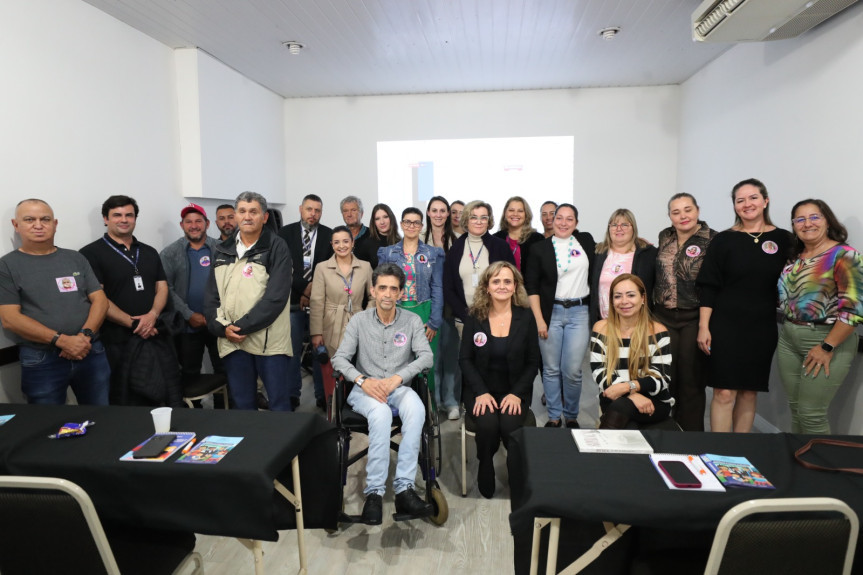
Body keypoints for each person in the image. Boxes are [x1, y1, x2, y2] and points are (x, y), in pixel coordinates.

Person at [331, 263, 435, 525]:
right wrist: (363, 380)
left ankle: (404, 488)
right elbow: (340, 359)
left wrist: (399, 378)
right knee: (380, 413)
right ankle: (374, 494)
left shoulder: (411, 321)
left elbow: (426, 357)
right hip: (365, 391)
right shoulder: (359, 321)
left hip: (397, 387)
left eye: (393, 289)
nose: (388, 294)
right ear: (373, 291)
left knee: (417, 408)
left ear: (400, 293)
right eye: (382, 288)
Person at [696, 178, 792, 433]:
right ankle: (719, 452)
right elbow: (708, 285)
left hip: (761, 326)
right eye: (740, 200)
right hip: (724, 324)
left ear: (765, 201)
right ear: (735, 206)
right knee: (724, 391)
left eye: (753, 198)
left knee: (749, 392)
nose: (747, 204)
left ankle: (741, 454)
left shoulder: (784, 240)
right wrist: (704, 327)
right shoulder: (723, 240)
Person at [0, 199, 110, 405]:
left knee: (101, 416)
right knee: (47, 425)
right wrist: (62, 340)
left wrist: (84, 336)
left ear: (55, 223)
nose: (38, 225)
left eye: (45, 219)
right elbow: (10, 319)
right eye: (29, 219)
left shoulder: (75, 258)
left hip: (91, 352)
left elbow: (100, 301)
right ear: (16, 225)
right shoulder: (6, 266)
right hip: (42, 359)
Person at [776, 199, 863, 434]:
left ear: (827, 220)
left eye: (814, 217)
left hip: (826, 340)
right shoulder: (795, 257)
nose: (807, 224)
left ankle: (819, 469)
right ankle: (798, 464)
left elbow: (854, 310)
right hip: (789, 338)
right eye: (800, 219)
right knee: (796, 408)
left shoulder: (844, 255)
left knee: (811, 414)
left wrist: (826, 346)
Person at [80, 195, 176, 406]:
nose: (124, 219)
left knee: (163, 394)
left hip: (155, 335)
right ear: (106, 219)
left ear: (135, 218)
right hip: (117, 340)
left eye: (129, 215)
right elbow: (98, 297)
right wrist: (133, 324)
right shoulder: (90, 254)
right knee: (128, 400)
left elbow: (161, 287)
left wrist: (152, 316)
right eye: (117, 215)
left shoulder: (149, 251)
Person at [204, 191, 294, 411]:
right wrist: (221, 328)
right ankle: (252, 445)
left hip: (269, 344)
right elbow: (211, 296)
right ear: (235, 215)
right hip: (232, 341)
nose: (247, 216)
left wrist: (240, 327)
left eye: (253, 211)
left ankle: (283, 445)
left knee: (279, 403)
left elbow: (276, 298)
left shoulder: (277, 247)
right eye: (242, 211)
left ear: (264, 217)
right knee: (243, 404)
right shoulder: (221, 250)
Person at [459, 262, 540, 498]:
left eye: (507, 281)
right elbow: (465, 359)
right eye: (496, 281)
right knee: (488, 425)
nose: (502, 286)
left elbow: (533, 362)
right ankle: (485, 462)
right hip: (480, 390)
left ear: (515, 287)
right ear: (487, 287)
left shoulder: (526, 317)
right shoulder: (475, 317)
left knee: (509, 424)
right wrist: (481, 392)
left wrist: (516, 394)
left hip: (514, 391)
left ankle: (516, 470)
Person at [525, 203, 596, 428]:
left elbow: (610, 249)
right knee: (551, 369)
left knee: (573, 370)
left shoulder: (585, 241)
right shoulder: (540, 249)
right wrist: (539, 320)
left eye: (569, 219)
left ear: (576, 223)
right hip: (550, 313)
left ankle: (571, 415)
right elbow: (532, 288)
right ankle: (554, 416)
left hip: (579, 313)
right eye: (559, 218)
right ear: (551, 220)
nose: (563, 223)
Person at [443, 201, 516, 418]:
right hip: (464, 319)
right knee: (468, 363)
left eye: (484, 217)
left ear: (489, 221)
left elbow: (512, 280)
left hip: (495, 316)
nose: (478, 221)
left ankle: (496, 403)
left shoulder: (499, 246)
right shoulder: (456, 248)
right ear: (466, 220)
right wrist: (465, 314)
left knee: (492, 362)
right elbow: (448, 286)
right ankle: (471, 404)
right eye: (474, 217)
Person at [653, 193, 717, 431]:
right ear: (670, 216)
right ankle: (666, 431)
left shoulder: (713, 240)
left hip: (694, 318)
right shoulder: (665, 236)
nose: (683, 216)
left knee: (691, 381)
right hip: (662, 316)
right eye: (676, 212)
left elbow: (713, 284)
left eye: (687, 210)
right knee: (666, 377)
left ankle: (690, 437)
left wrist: (704, 325)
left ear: (698, 211)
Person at [378, 208, 445, 411]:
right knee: (397, 361)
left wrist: (434, 321)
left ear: (422, 226)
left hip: (424, 310)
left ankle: (427, 407)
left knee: (425, 364)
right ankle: (399, 406)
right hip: (396, 312)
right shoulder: (388, 252)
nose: (412, 226)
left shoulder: (432, 253)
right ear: (401, 224)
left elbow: (438, 287)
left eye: (416, 223)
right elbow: (381, 285)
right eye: (408, 222)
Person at [590, 274, 673, 429]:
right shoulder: (601, 328)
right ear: (612, 301)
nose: (624, 301)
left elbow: (662, 377)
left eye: (631, 295)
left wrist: (629, 387)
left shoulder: (658, 331)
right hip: (614, 396)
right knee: (628, 424)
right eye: (618, 296)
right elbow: (599, 372)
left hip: (652, 401)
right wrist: (632, 395)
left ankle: (597, 450)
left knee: (621, 410)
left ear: (643, 299)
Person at [277, 194, 333, 410]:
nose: (313, 214)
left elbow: (329, 268)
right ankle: (292, 395)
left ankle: (322, 395)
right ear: (301, 209)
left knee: (320, 350)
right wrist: (302, 289)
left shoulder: (329, 235)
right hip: (291, 301)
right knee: (291, 351)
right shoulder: (285, 233)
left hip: (319, 302)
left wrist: (310, 293)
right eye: (309, 209)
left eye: (317, 210)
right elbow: (282, 267)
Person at [159, 203, 223, 389]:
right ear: (182, 225)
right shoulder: (169, 253)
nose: (193, 225)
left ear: (207, 223)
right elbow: (166, 288)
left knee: (225, 368)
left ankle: (225, 409)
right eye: (188, 222)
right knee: (189, 373)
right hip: (186, 326)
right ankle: (193, 412)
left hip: (219, 322)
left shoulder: (223, 249)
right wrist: (189, 315)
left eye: (198, 221)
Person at [310, 226, 373, 403]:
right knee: (333, 370)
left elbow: (373, 297)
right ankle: (334, 408)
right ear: (331, 245)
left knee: (359, 367)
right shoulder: (322, 268)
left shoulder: (365, 267)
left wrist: (366, 317)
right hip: (331, 323)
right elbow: (316, 302)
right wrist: (316, 332)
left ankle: (357, 407)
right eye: (336, 242)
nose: (341, 246)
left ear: (353, 243)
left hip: (359, 322)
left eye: (345, 241)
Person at [590, 209, 657, 326]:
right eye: (614, 225)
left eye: (625, 225)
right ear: (609, 229)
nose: (619, 228)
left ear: (633, 228)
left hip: (636, 323)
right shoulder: (597, 253)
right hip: (603, 322)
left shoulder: (648, 254)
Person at [493, 196, 545, 277]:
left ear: (526, 214)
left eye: (520, 211)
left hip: (529, 288)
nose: (515, 214)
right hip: (501, 287)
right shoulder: (496, 239)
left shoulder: (537, 239)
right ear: (505, 213)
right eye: (511, 210)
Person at [355, 203, 401, 268]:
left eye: (385, 217)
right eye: (377, 219)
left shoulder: (400, 242)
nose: (382, 222)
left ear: (391, 218)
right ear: (374, 222)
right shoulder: (366, 244)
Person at [340, 196, 373, 263]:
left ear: (362, 213)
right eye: (345, 211)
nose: (349, 214)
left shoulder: (372, 235)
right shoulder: (337, 236)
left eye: (353, 210)